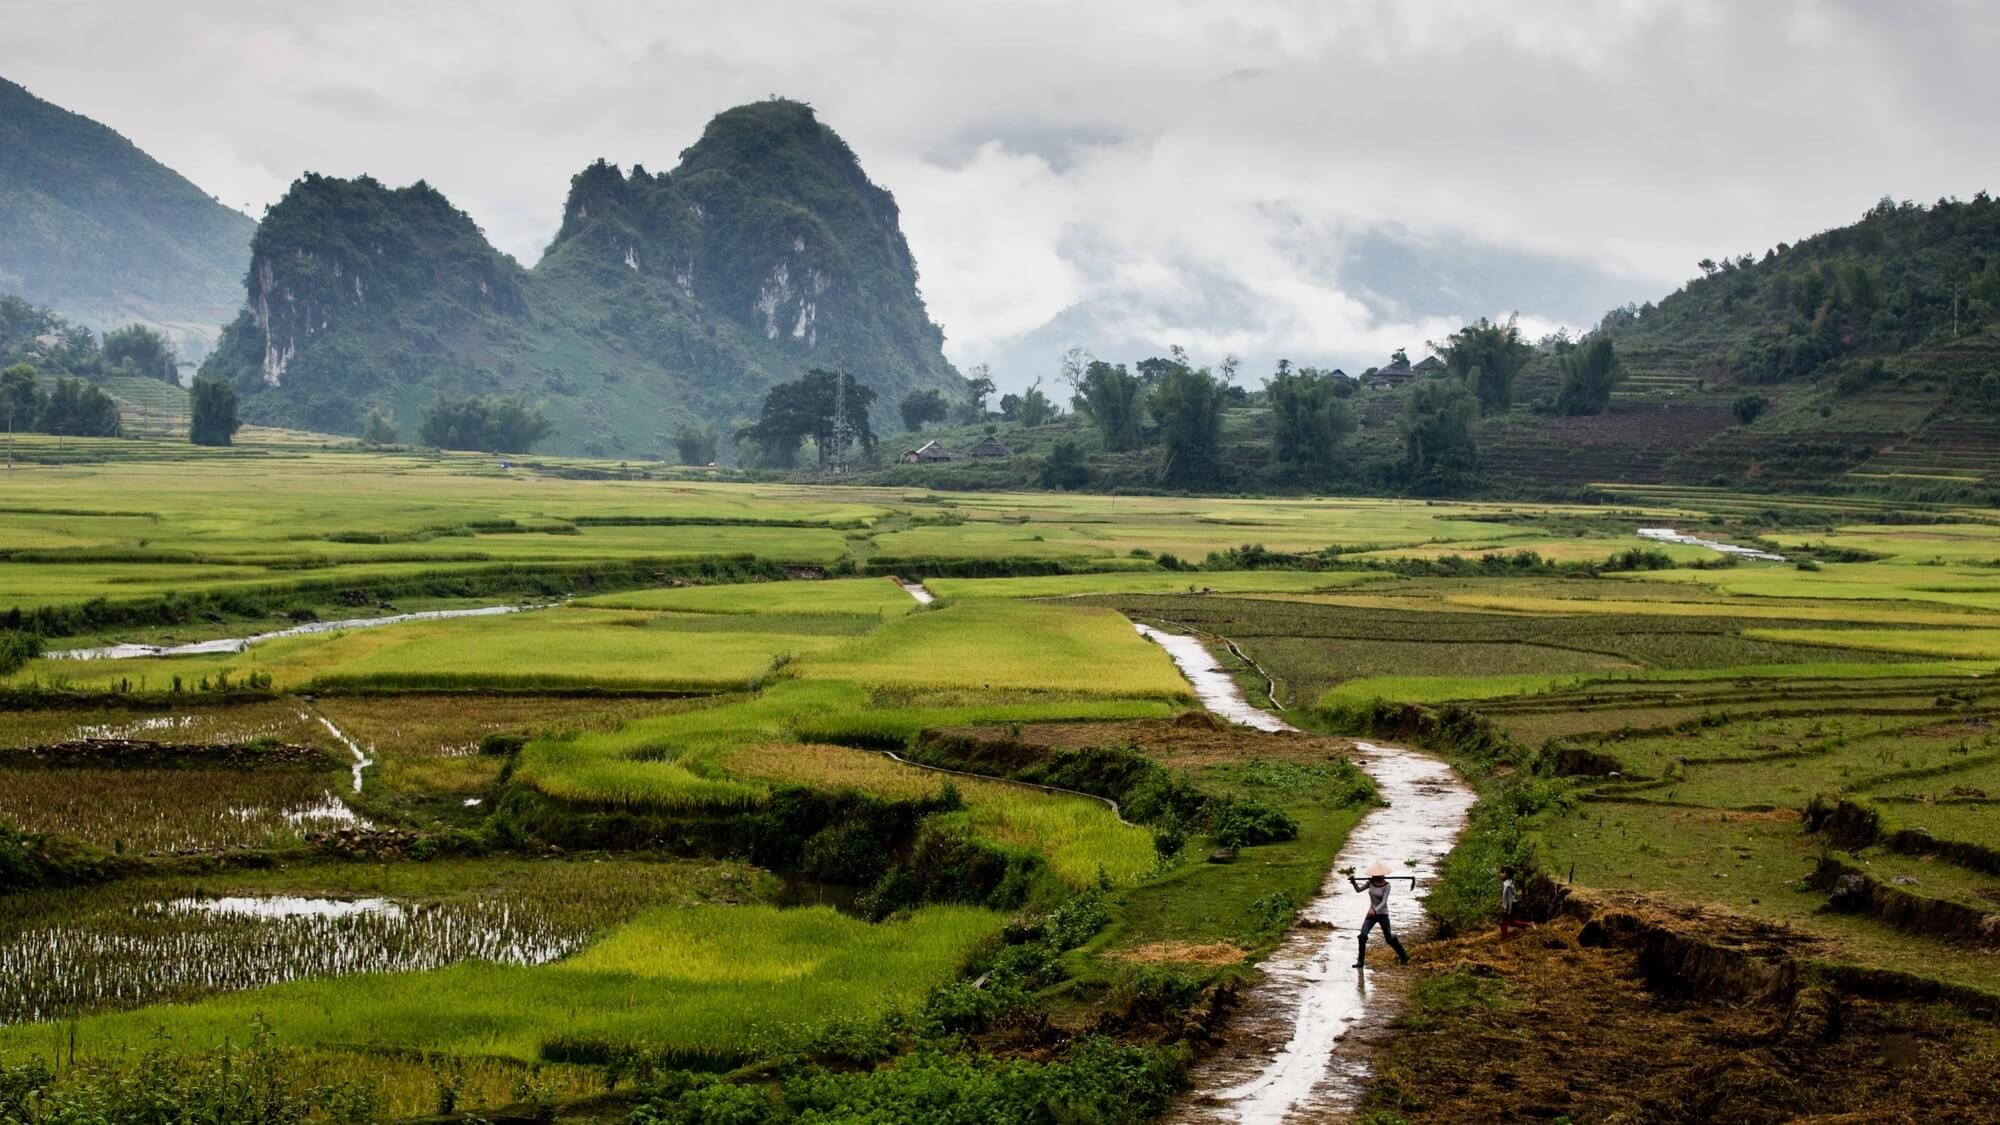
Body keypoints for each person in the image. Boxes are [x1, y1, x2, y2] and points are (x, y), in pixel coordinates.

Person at [1348, 861, 1409, 967]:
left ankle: (1403, 956)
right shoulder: (1370, 883)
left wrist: (1375, 910)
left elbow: (1384, 902)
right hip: (1371, 915)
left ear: (1381, 875)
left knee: (1389, 938)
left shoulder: (1387, 886)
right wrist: (1354, 883)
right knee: (1362, 936)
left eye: (1376, 875)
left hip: (1382, 914)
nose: (1374, 877)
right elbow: (1358, 890)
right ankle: (1360, 961)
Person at [1499, 866, 1535, 939]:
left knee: (1503, 922)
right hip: (1511, 904)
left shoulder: (1507, 885)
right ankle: (1528, 924)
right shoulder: (1508, 883)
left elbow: (1508, 899)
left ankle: (1504, 937)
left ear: (1507, 875)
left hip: (1510, 905)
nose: (1501, 874)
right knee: (1511, 922)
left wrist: (1506, 909)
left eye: (1503, 873)